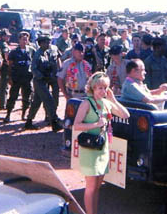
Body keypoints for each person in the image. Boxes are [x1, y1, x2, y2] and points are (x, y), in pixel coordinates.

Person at [73, 72, 130, 214]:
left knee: (97, 186)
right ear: (92, 88)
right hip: (90, 148)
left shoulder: (106, 103)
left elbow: (125, 115)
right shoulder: (86, 103)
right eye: (100, 88)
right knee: (91, 186)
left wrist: (114, 100)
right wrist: (95, 124)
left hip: (102, 147)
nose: (103, 91)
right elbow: (76, 125)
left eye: (105, 88)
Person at [25, 34, 63, 132]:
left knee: (36, 102)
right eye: (46, 42)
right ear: (41, 43)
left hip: (46, 80)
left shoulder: (47, 52)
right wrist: (42, 76)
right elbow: (33, 69)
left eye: (48, 42)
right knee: (49, 100)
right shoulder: (38, 54)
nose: (48, 43)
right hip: (39, 81)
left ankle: (29, 121)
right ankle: (54, 121)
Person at [4, 31, 35, 122]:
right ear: (19, 40)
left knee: (27, 97)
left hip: (27, 78)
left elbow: (34, 62)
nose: (25, 41)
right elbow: (10, 65)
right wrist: (9, 77)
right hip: (16, 78)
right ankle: (8, 114)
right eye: (23, 39)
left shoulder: (32, 50)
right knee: (13, 97)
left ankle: (24, 114)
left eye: (26, 39)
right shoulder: (14, 52)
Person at [0, 28, 11, 111]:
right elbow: (6, 56)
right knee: (4, 86)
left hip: (0, 67)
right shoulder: (4, 45)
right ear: (3, 36)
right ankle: (3, 104)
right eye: (7, 36)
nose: (8, 37)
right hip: (4, 67)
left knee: (3, 86)